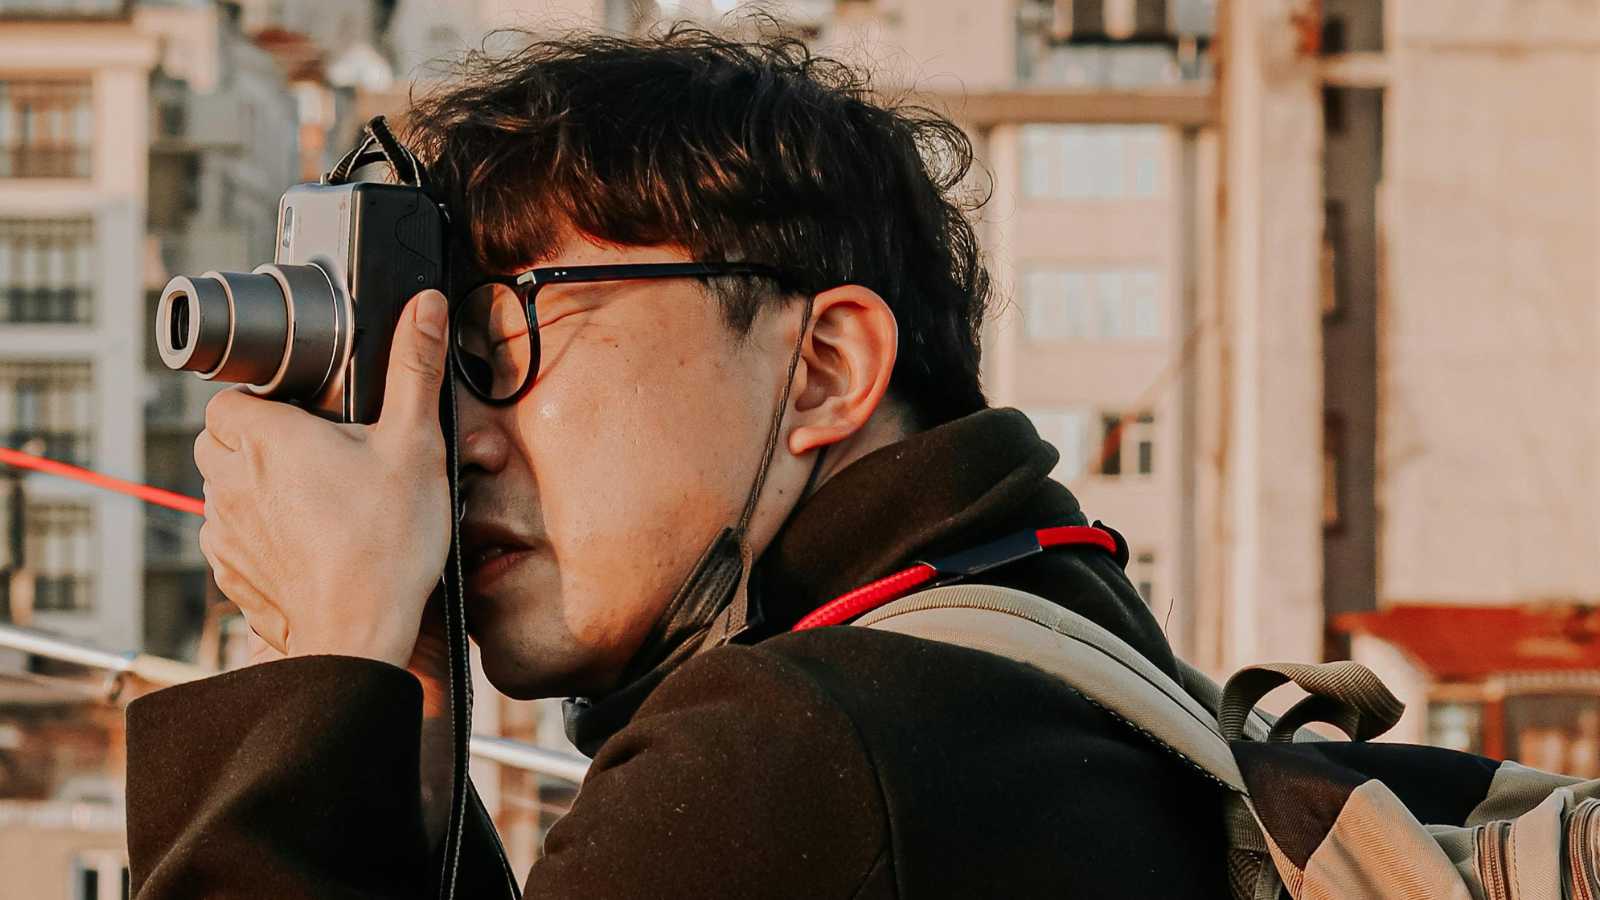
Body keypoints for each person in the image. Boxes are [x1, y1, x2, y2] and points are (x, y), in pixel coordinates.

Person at [126, 26, 1230, 899]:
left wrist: (323, 655)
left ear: (823, 369)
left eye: (505, 342)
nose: (460, 441)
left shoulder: (794, 752)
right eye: (443, 373)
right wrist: (396, 690)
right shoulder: (1039, 659)